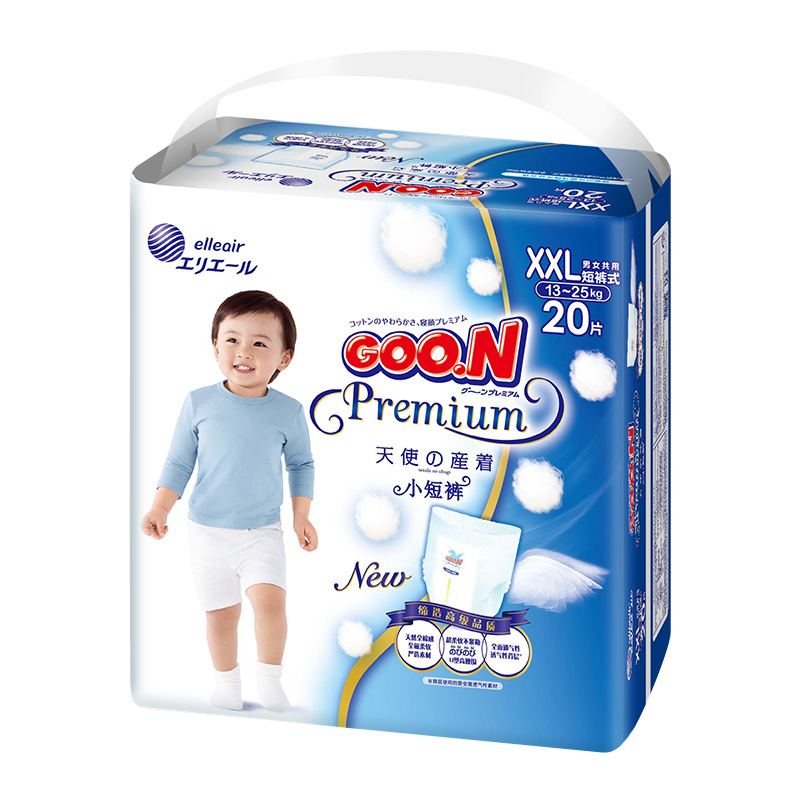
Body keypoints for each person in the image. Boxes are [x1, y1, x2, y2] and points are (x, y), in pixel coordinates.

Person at [140, 290, 317, 712]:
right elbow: (179, 461)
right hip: (207, 531)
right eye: (232, 339)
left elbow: (302, 465)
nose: (244, 351)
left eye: (259, 343)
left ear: (284, 358)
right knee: (221, 615)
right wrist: (161, 507)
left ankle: (270, 681)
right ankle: (226, 683)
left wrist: (301, 517)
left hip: (261, 530)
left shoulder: (289, 412)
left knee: (270, 602)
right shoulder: (198, 402)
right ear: (215, 346)